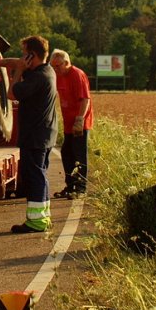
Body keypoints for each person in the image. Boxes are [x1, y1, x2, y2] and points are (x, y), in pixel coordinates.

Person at [0, 36, 59, 233]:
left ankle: (36, 222)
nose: (23, 57)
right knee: (39, 175)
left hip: (35, 136)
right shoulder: (46, 71)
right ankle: (43, 219)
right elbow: (15, 62)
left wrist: (18, 72)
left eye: (25, 54)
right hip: (43, 135)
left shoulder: (37, 77)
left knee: (34, 177)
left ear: (33, 55)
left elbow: (11, 94)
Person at [50, 49, 92, 199]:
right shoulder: (59, 76)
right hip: (68, 123)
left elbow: (85, 99)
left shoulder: (76, 75)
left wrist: (80, 119)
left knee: (78, 155)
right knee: (66, 153)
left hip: (79, 123)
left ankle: (80, 188)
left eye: (57, 66)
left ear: (67, 63)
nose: (55, 69)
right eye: (52, 66)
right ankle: (70, 186)